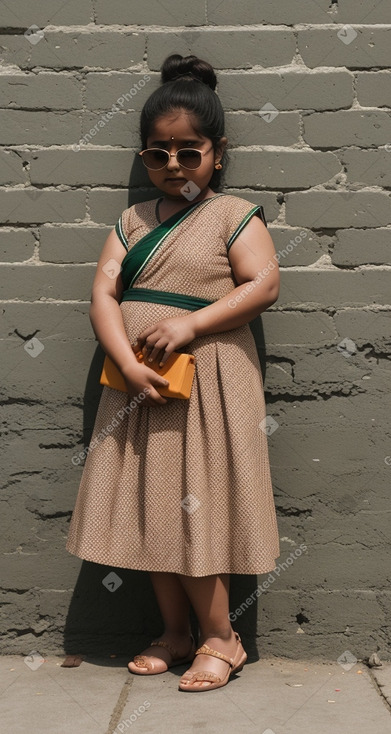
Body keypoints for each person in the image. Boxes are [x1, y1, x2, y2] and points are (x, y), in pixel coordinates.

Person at [66, 53, 281, 692]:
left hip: (209, 385)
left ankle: (223, 638)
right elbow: (104, 297)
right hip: (139, 387)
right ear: (143, 155)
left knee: (200, 511)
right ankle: (176, 633)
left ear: (218, 152)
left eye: (190, 151)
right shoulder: (130, 223)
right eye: (158, 153)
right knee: (153, 509)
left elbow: (264, 283)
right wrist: (127, 363)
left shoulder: (231, 215)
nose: (173, 166)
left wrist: (189, 324)